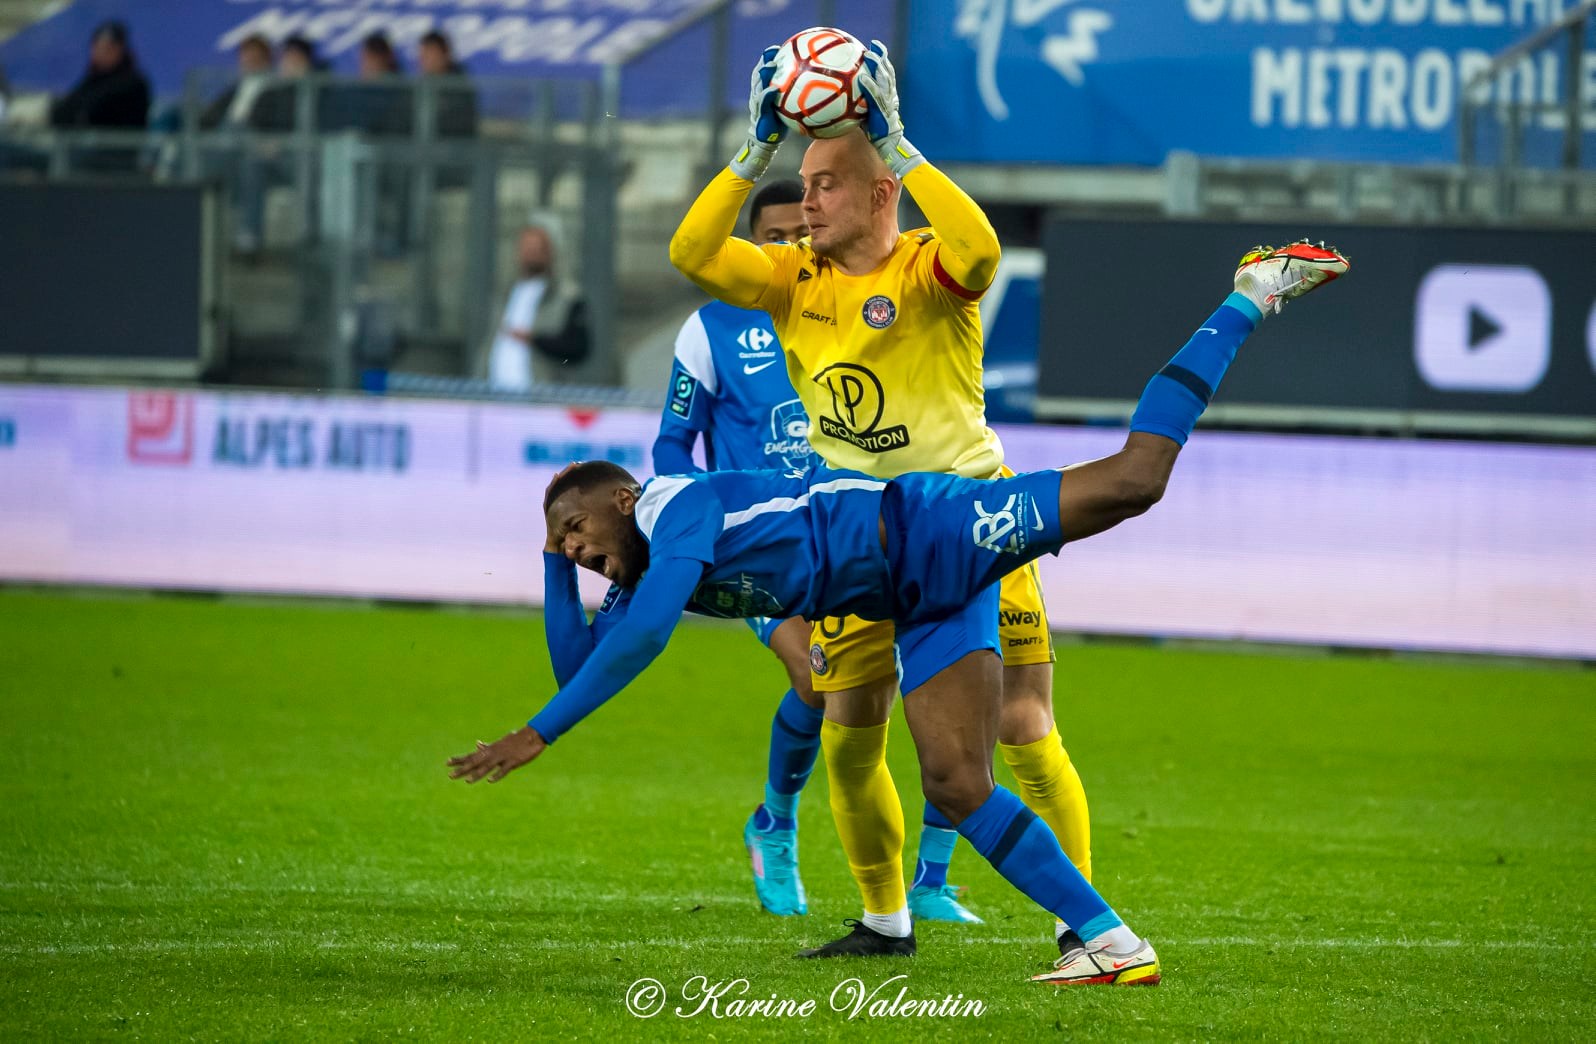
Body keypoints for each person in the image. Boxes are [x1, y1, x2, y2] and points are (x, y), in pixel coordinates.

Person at [447, 239, 1351, 984]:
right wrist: (551, 566)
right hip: (909, 597)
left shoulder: (672, 503)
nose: (573, 548)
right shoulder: (635, 564)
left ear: (619, 498)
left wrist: (538, 736)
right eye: (560, 545)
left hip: (926, 526)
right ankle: (1113, 944)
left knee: (1131, 481)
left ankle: (1248, 293)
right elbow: (579, 667)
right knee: (957, 781)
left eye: (573, 527)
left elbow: (639, 641)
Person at [669, 41, 1066, 948]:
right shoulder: (789, 278)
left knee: (1022, 728)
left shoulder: (928, 267)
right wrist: (754, 151)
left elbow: (984, 248)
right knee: (850, 735)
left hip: (971, 521)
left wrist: (901, 148)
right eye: (803, 183)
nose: (805, 201)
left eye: (826, 184)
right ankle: (885, 920)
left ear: (881, 190)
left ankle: (1072, 926)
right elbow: (691, 251)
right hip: (855, 532)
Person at [650, 178, 822, 915]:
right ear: (749, 244)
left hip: (852, 531)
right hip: (762, 549)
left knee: (908, 694)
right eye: (773, 236)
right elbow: (669, 444)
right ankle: (774, 826)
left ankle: (932, 880)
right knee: (818, 680)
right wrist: (704, 518)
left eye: (800, 234)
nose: (789, 247)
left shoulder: (841, 308)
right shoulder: (712, 328)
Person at [50, 20, 150, 172]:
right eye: (97, 46)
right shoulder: (92, 79)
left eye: (109, 47)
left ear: (121, 50)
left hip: (113, 159)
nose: (101, 52)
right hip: (82, 151)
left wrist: (79, 115)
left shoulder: (133, 83)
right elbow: (63, 112)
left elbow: (92, 109)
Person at [487, 226, 556, 393]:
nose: (530, 254)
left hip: (538, 392)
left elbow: (575, 346)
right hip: (496, 388)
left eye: (535, 249)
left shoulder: (563, 296)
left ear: (548, 253)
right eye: (526, 248)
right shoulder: (507, 292)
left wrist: (535, 339)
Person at [200, 34, 274, 130]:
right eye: (245, 57)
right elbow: (209, 117)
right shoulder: (234, 90)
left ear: (265, 59)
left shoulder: (275, 89)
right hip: (227, 137)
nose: (248, 61)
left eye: (254, 57)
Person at [416, 30, 477, 139]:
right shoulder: (419, 87)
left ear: (445, 55)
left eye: (430, 54)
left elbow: (461, 126)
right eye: (423, 55)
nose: (424, 60)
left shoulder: (460, 88)